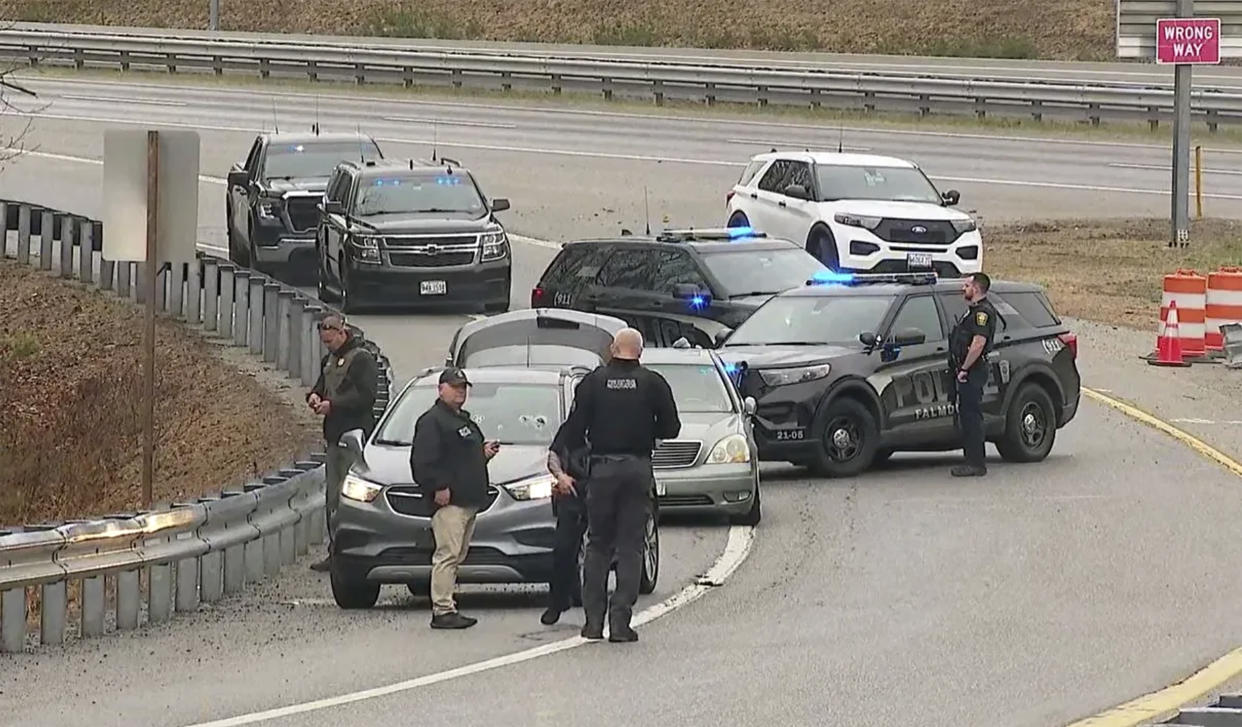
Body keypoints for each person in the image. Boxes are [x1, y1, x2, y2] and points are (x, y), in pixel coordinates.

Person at [555, 328, 680, 643]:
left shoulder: (594, 383)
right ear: (640, 352)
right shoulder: (653, 383)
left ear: (613, 349)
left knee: (597, 544)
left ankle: (593, 623)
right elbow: (672, 427)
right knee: (630, 545)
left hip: (603, 469)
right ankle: (621, 622)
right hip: (637, 468)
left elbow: (573, 431)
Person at [410, 368, 501, 630]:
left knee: (456, 555)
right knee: (447, 555)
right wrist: (437, 487)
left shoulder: (462, 421)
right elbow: (423, 460)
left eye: (463, 387)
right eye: (454, 386)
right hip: (450, 502)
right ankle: (442, 610)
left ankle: (447, 602)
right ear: (441, 389)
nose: (460, 391)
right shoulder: (432, 421)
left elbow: (461, 458)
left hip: (468, 500)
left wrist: (483, 453)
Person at [306, 312, 377, 572]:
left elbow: (366, 396)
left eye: (331, 341)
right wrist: (314, 397)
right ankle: (335, 550)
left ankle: (354, 549)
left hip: (354, 437)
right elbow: (320, 386)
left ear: (341, 332)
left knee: (351, 495)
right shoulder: (330, 360)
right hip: (334, 437)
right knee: (332, 497)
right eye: (325, 343)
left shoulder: (361, 360)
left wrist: (333, 405)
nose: (329, 346)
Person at [948, 272, 999, 478]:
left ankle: (976, 463)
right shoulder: (973, 312)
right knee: (967, 415)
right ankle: (972, 460)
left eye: (967, 285)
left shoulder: (982, 313)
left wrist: (965, 369)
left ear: (976, 288)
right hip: (968, 370)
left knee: (972, 417)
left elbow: (978, 343)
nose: (963, 288)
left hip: (973, 371)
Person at [542, 422, 591, 626]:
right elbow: (554, 454)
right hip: (572, 491)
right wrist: (560, 476)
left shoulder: (611, 422)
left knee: (602, 549)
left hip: (604, 489)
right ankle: (558, 601)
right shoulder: (572, 426)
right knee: (563, 549)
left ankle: (594, 604)